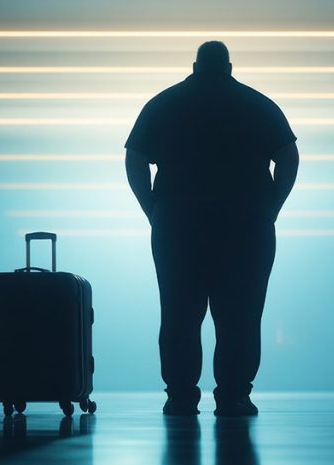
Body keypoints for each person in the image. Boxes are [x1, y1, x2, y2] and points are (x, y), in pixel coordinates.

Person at [125, 41, 299, 416]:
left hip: (178, 226)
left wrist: (152, 208)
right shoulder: (257, 104)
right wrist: (272, 207)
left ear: (194, 65)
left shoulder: (164, 103)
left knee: (179, 313)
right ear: (230, 67)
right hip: (246, 226)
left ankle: (180, 394)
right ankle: (235, 393)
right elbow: (288, 155)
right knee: (240, 314)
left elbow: (135, 157)